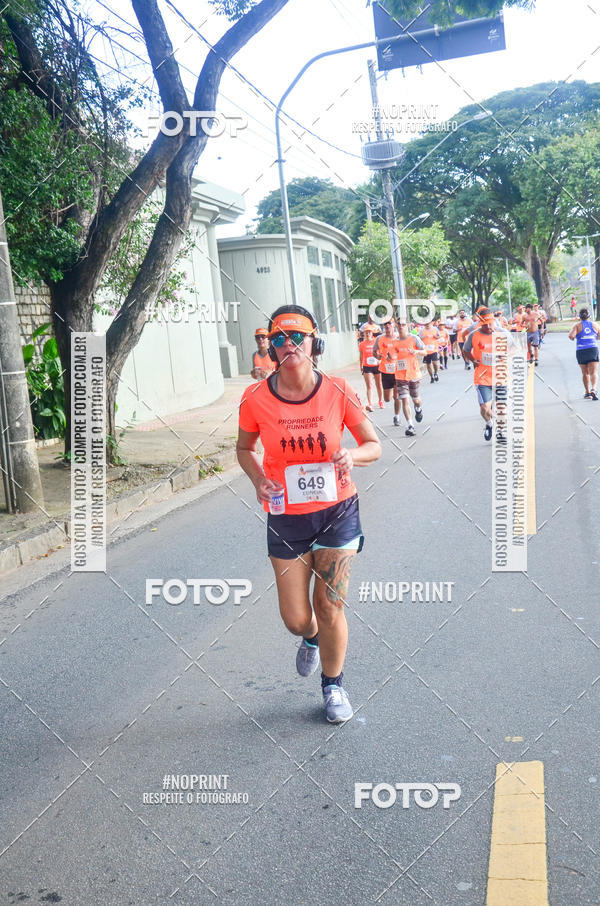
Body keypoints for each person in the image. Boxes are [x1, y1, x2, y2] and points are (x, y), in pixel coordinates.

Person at [237, 305, 381, 723]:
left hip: (338, 510)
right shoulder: (255, 398)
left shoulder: (338, 389)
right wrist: (258, 479)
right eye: (279, 338)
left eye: (297, 336)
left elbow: (373, 445)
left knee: (331, 604)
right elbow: (244, 449)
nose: (289, 345)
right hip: (287, 516)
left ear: (314, 342)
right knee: (297, 618)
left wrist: (352, 456)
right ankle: (311, 637)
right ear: (270, 346)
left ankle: (333, 685)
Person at [462, 307, 509, 442]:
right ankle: (489, 424)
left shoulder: (502, 333)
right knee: (484, 408)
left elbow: (515, 348)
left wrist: (505, 355)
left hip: (500, 376)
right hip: (482, 377)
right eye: (484, 324)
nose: (488, 327)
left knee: (501, 407)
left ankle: (500, 431)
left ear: (494, 321)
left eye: (490, 323)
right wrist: (473, 360)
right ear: (479, 323)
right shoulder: (474, 335)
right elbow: (465, 350)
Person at [394, 319, 426, 436]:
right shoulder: (394, 341)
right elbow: (391, 356)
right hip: (400, 375)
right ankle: (410, 425)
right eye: (399, 325)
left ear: (407, 326)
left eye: (403, 324)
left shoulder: (414, 338)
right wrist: (388, 358)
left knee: (416, 400)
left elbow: (425, 351)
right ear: (396, 326)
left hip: (413, 374)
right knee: (405, 399)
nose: (401, 326)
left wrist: (416, 352)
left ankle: (418, 409)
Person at [373, 320, 402, 425]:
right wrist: (378, 356)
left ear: (393, 326)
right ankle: (391, 398)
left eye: (389, 325)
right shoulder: (379, 338)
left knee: (397, 395)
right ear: (384, 328)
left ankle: (397, 416)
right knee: (387, 399)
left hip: (398, 370)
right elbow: (374, 352)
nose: (388, 327)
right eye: (386, 325)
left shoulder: (399, 337)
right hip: (385, 371)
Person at [569, 307, 600, 400]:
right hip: (592, 349)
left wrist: (577, 337)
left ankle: (587, 392)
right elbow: (599, 336)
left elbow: (571, 336)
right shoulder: (595, 324)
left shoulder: (577, 326)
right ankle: (594, 389)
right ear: (589, 316)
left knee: (585, 373)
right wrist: (593, 337)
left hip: (581, 350)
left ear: (580, 316)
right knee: (593, 372)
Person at [358, 326, 383, 411]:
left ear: (372, 333)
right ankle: (370, 403)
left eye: (369, 332)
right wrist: (361, 365)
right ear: (364, 333)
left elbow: (381, 352)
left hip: (377, 365)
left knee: (378, 384)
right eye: (366, 332)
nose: (368, 333)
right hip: (367, 366)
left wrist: (380, 360)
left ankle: (380, 401)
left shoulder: (376, 342)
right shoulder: (362, 344)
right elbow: (361, 356)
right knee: (369, 385)